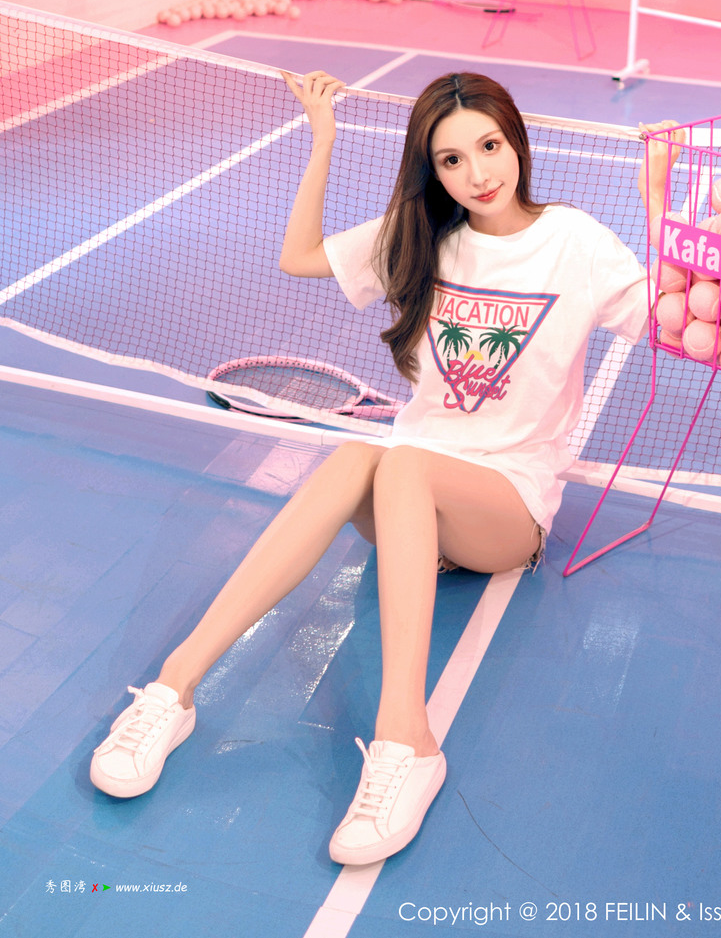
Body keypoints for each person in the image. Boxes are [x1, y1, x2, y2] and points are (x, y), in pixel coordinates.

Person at [89, 69, 680, 866]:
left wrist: (657, 197)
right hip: (413, 498)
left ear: (515, 139)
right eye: (451, 160)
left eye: (489, 146)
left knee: (400, 465)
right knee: (357, 456)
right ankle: (174, 687)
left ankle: (409, 740)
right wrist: (323, 137)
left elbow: (667, 319)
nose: (477, 173)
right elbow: (299, 255)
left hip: (505, 507)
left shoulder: (574, 240)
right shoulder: (424, 234)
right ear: (432, 170)